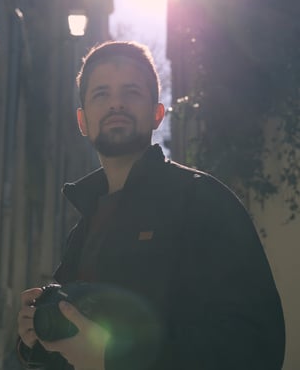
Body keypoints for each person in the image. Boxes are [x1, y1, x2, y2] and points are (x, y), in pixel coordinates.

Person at [17, 41, 285, 370]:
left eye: (131, 92)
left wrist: (114, 359)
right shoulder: (85, 227)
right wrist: (38, 341)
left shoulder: (202, 201)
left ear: (157, 114)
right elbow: (79, 350)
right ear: (83, 121)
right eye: (101, 94)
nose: (116, 103)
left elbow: (255, 345)